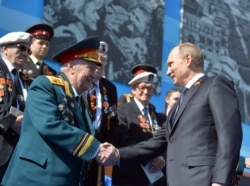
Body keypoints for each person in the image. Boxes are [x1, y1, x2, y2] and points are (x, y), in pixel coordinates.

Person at [106, 42, 243, 186]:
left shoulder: (215, 84)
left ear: (188, 60)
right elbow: (156, 142)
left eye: (171, 64)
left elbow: (230, 135)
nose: (168, 72)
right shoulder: (179, 104)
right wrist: (117, 153)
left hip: (203, 179)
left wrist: (220, 181)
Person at [1, 36, 119, 186]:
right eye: (90, 67)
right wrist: (96, 148)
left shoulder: (80, 103)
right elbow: (49, 124)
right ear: (71, 67)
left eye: (97, 68)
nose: (95, 74)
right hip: (35, 178)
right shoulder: (45, 85)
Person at [112, 64, 166, 186]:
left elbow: (166, 141)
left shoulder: (160, 117)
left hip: (155, 177)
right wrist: (150, 156)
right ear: (133, 89)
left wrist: (162, 157)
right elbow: (123, 140)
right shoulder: (122, 111)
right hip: (130, 176)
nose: (146, 92)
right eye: (142, 88)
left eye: (150, 88)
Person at [83, 41, 119, 185]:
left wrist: (107, 148)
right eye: (95, 60)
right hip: (77, 146)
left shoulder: (109, 88)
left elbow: (113, 121)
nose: (99, 65)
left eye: (102, 61)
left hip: (98, 153)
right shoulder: (78, 81)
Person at [0, 31, 32, 181]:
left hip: (15, 153)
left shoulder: (23, 79)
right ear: (5, 49)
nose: (25, 53)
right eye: (21, 48)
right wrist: (12, 121)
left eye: (28, 50)